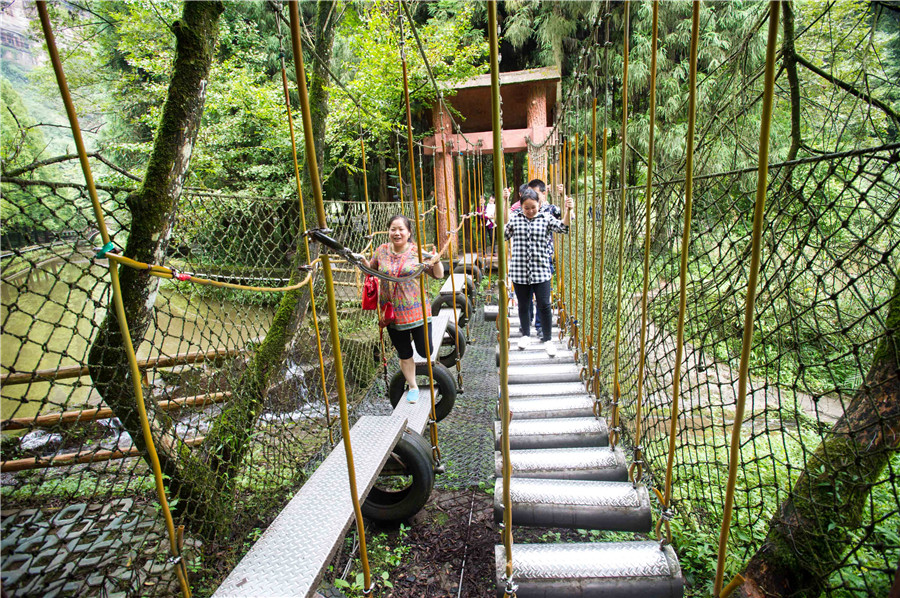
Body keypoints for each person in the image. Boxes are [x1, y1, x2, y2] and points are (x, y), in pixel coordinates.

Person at [361, 215, 444, 403]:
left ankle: (422, 359)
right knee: (404, 352)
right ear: (389, 231)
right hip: (391, 313)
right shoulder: (381, 251)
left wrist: (436, 260)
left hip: (417, 312)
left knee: (425, 351)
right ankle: (413, 386)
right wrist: (360, 262)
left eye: (401, 229)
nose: (396, 233)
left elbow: (438, 275)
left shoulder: (417, 253)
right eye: (393, 229)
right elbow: (370, 270)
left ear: (408, 233)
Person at [504, 187, 574, 356]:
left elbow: (563, 227)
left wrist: (568, 210)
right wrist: (505, 202)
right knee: (523, 305)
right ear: (521, 207)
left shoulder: (546, 218)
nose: (530, 211)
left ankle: (548, 339)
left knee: (544, 305)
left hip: (541, 270)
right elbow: (504, 231)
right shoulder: (515, 219)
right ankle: (526, 335)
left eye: (533, 207)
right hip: (520, 271)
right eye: (526, 208)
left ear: (539, 204)